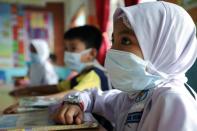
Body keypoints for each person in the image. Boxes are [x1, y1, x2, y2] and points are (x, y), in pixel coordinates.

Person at [51, 1, 197, 131]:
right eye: (113, 40)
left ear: (165, 49)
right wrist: (75, 103)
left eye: (126, 40)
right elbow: (93, 96)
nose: (112, 50)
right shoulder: (136, 95)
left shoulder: (174, 102)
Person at [9, 25, 111, 97]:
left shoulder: (94, 74)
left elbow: (71, 94)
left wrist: (29, 102)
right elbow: (57, 88)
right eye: (66, 49)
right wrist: (28, 90)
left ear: (91, 54)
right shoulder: (81, 75)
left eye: (73, 49)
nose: (67, 53)